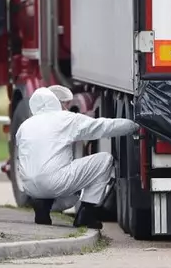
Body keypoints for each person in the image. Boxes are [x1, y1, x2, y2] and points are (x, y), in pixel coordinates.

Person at [15, 86, 138, 229]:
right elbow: (103, 127)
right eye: (64, 103)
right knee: (104, 160)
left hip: (30, 188)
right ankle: (86, 214)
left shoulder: (25, 125)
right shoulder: (66, 119)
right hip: (54, 182)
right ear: (56, 103)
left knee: (66, 192)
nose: (66, 107)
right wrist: (135, 125)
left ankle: (42, 207)